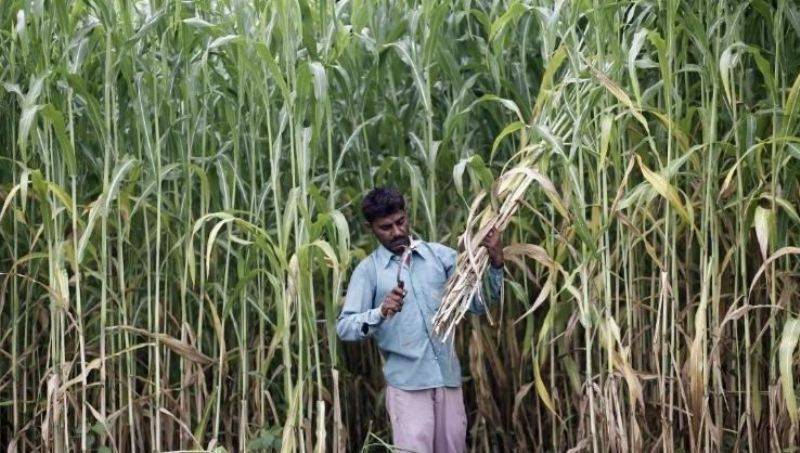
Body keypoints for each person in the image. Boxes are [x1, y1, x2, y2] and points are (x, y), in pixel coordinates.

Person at [336, 187, 504, 453]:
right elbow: (345, 327)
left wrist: (496, 265)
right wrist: (379, 312)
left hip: (447, 379)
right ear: (371, 229)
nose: (397, 232)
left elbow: (478, 305)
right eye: (386, 227)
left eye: (400, 222)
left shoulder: (440, 257)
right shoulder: (369, 271)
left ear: (407, 215)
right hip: (407, 387)